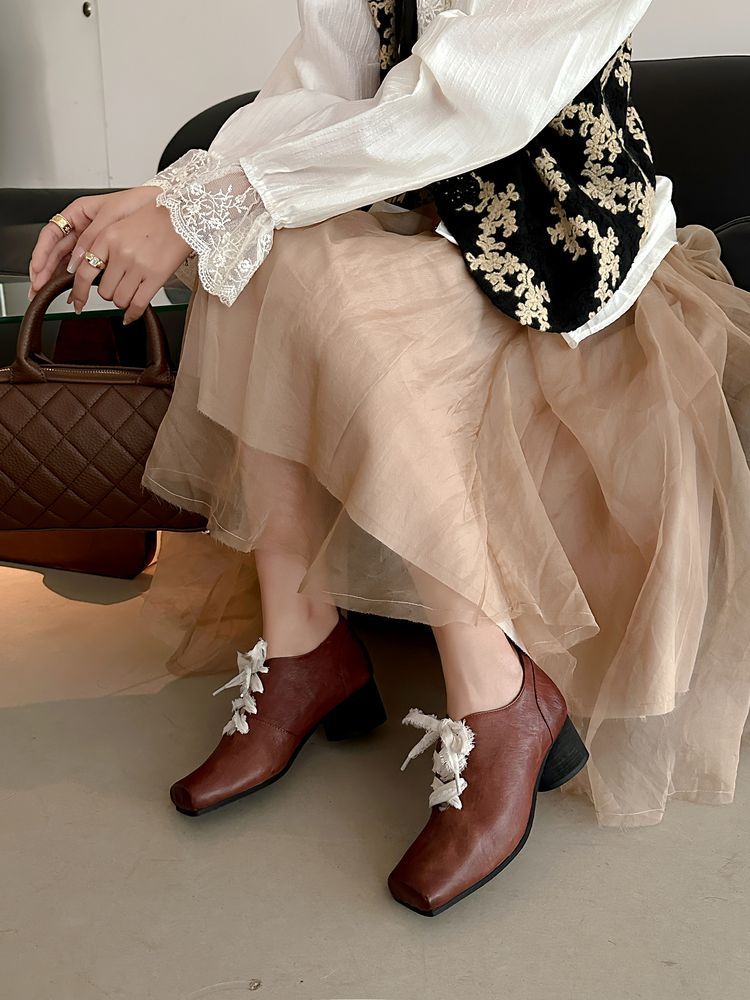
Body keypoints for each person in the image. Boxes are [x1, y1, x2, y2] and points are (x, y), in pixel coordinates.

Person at [28, 0, 750, 917]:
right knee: (253, 259)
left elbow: (469, 104)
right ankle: (303, 645)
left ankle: (498, 694)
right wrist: (166, 197)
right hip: (424, 215)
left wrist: (201, 205)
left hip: (562, 245)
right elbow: (323, 83)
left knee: (341, 297)